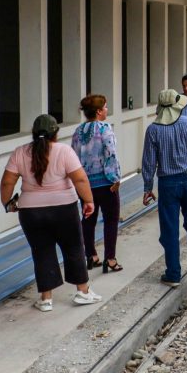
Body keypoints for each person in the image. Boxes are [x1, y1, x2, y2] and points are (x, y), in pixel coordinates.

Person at [0, 114, 101, 311]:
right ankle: (83, 292)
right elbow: (80, 179)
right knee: (73, 247)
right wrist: (88, 200)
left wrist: (7, 203)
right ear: (56, 133)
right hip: (64, 208)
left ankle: (46, 299)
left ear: (33, 133)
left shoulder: (20, 152)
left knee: (42, 251)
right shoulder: (64, 151)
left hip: (31, 212)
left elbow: (7, 182)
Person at [142, 89, 187, 285]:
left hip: (168, 184)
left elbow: (149, 163)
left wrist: (147, 187)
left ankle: (173, 274)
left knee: (170, 230)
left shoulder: (153, 130)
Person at [71, 94, 123, 273]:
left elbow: (73, 158)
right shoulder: (105, 129)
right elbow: (111, 154)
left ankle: (91, 255)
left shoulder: (78, 132)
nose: (107, 110)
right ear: (99, 111)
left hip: (85, 184)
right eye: (106, 107)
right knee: (111, 220)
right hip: (106, 182)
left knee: (88, 219)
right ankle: (110, 258)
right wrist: (115, 178)